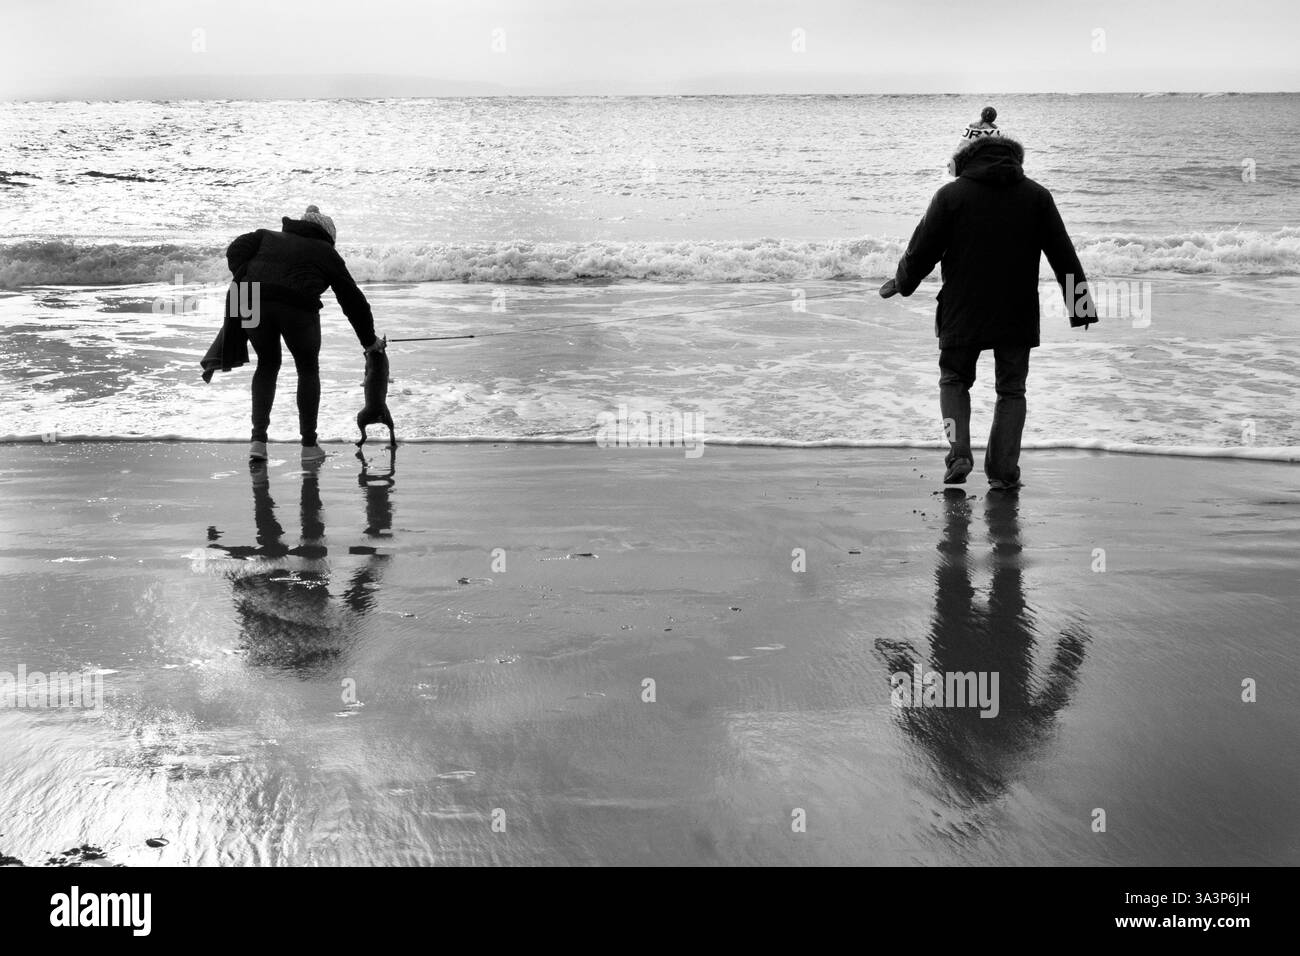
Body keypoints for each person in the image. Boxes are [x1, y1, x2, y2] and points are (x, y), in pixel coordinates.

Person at [880, 135, 1097, 490]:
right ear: (1015, 159)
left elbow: (921, 251)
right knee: (1011, 391)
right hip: (1016, 313)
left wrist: (903, 283)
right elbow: (1063, 255)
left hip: (961, 311)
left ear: (964, 159)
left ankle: (959, 452)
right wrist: (1080, 306)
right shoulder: (1036, 196)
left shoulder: (951, 196)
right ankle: (1003, 472)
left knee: (953, 380)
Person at [225, 205, 385, 463]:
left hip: (251, 299)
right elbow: (352, 299)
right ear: (327, 235)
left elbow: (234, 249)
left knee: (266, 364)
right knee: (307, 369)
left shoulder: (265, 236)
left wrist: (245, 275)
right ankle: (309, 446)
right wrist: (369, 341)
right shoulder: (325, 251)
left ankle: (258, 442)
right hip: (295, 306)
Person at [947, 106, 1002, 176]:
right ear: (994, 118)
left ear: (981, 115)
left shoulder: (970, 127)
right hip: (970, 166)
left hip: (954, 161)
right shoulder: (995, 132)